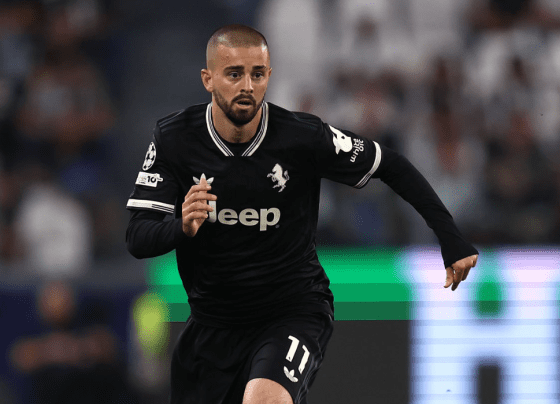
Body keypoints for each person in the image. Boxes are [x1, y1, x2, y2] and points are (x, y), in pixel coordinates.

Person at [125, 24, 478, 404]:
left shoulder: (301, 136)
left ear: (269, 76)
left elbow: (390, 165)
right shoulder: (175, 139)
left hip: (291, 311)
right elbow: (138, 238)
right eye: (234, 74)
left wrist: (450, 237)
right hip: (212, 325)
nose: (247, 86)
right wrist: (181, 227)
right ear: (208, 79)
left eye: (257, 74)